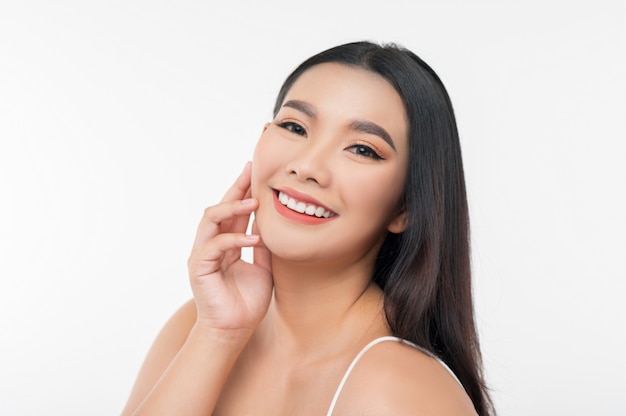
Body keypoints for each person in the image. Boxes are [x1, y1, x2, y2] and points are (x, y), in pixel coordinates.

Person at [121, 41, 495, 415]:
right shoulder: (199, 325)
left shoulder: (399, 388)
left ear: (406, 206)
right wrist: (218, 334)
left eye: (362, 149)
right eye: (294, 126)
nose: (308, 166)